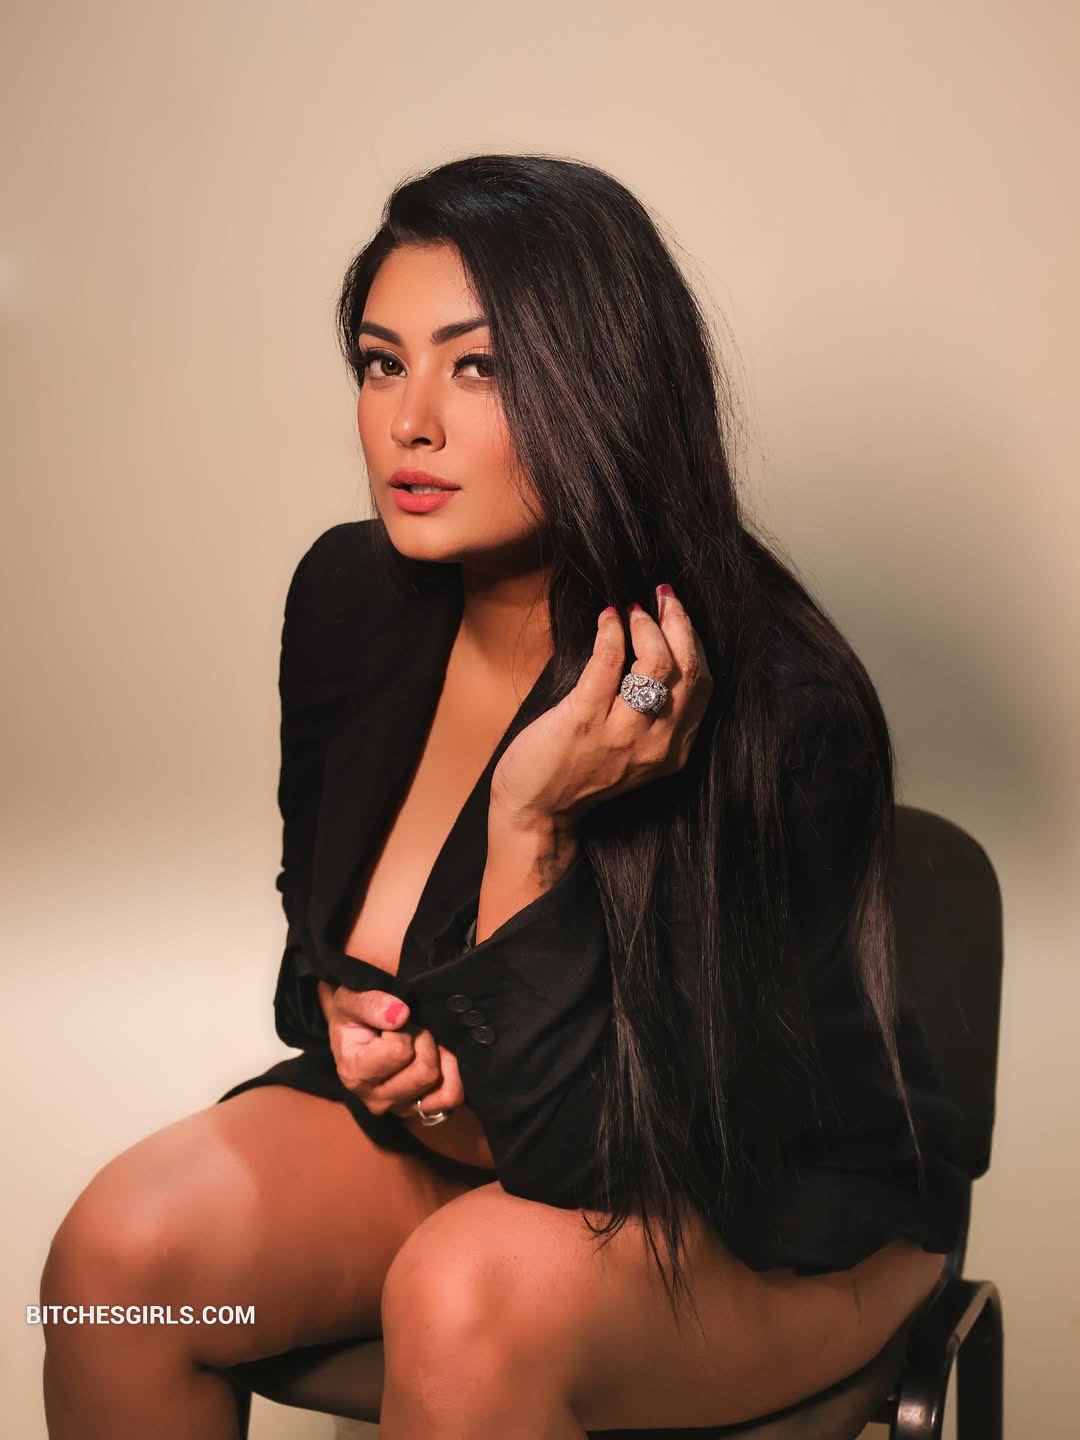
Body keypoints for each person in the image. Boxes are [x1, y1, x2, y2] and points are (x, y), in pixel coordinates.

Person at [39, 154, 967, 1438]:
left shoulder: (776, 707)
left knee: (461, 1300)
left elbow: (609, 1159)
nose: (410, 421)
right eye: (381, 363)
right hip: (484, 1144)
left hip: (761, 1210)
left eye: (479, 367)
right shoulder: (351, 602)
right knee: (113, 1269)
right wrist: (351, 1023)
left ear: (600, 381)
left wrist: (531, 824)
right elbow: (321, 936)